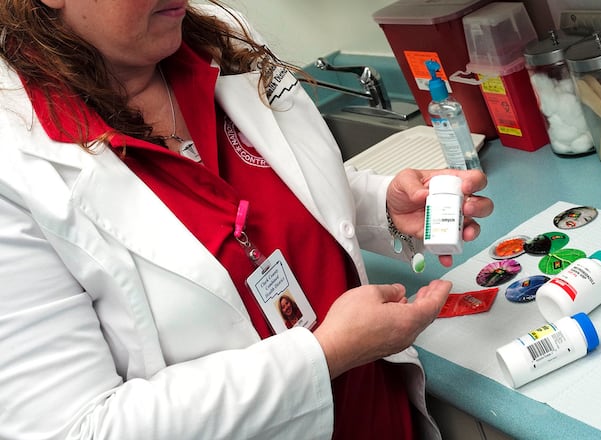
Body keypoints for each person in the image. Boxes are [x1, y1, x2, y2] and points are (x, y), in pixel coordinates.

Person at [0, 1, 494, 439]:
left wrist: (380, 205)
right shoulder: (17, 170)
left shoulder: (218, 41)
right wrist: (324, 355)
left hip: (381, 415)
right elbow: (80, 427)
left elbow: (285, 187)